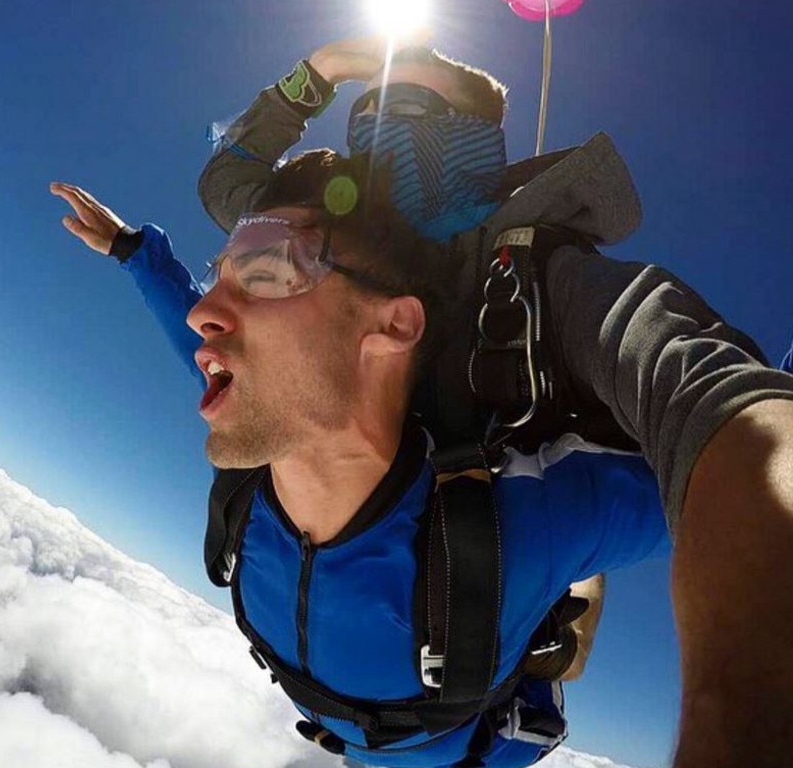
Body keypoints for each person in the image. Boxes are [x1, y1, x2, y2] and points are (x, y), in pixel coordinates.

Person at [195, 38, 793, 768]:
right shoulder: (317, 242)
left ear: (470, 139)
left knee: (534, 587)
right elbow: (227, 184)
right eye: (373, 106)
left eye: (412, 105)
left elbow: (703, 392)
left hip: (484, 546)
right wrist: (319, 73)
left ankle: (555, 626)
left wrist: (737, 722)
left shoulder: (541, 280)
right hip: (392, 633)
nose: (381, 131)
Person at [51, 152, 670, 768]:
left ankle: (572, 601)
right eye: (221, 278)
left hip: (474, 755)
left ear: (393, 325)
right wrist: (135, 251)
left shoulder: (521, 529)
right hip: (360, 744)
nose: (202, 312)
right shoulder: (266, 431)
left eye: (266, 273)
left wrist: (761, 395)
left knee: (563, 635)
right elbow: (188, 328)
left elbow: (728, 477)